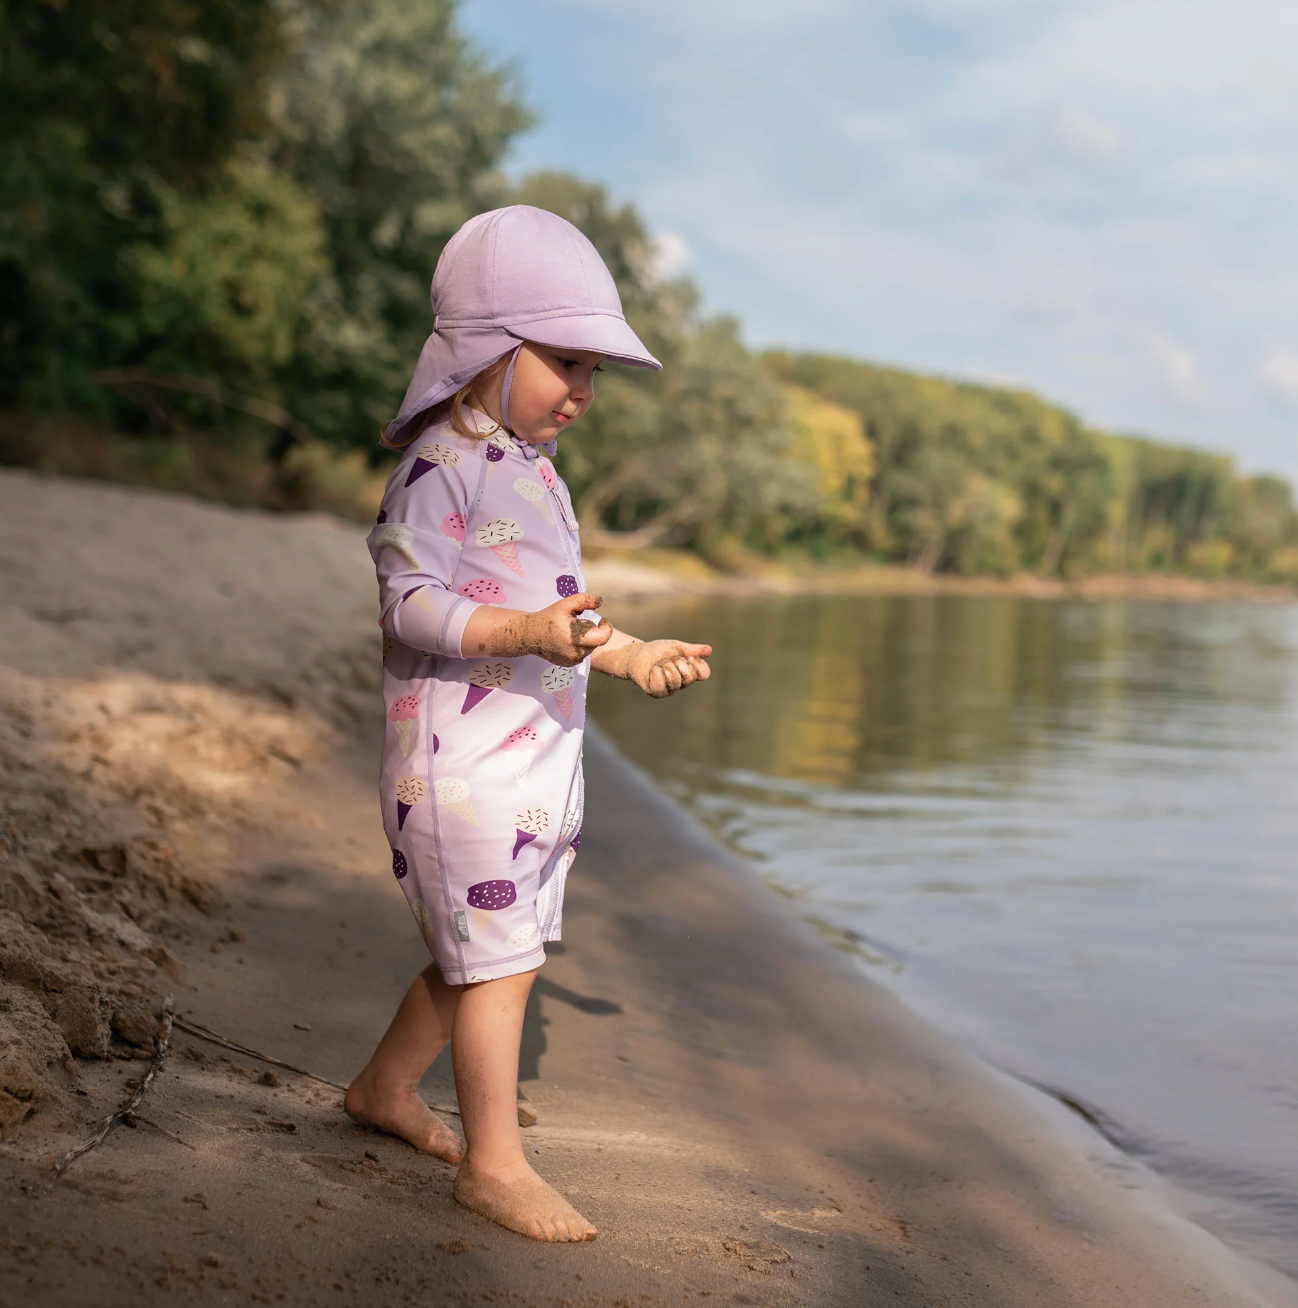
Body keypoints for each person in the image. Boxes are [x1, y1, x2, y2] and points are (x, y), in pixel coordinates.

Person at [344, 206, 712, 1242]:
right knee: (496, 962)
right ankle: (494, 1165)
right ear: (487, 352)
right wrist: (518, 629)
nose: (584, 393)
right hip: (458, 771)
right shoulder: (440, 467)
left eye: (594, 371)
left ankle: (383, 1088)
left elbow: (562, 611)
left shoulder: (530, 471)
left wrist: (628, 651)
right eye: (565, 363)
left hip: (526, 773)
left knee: (484, 951)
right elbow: (406, 602)